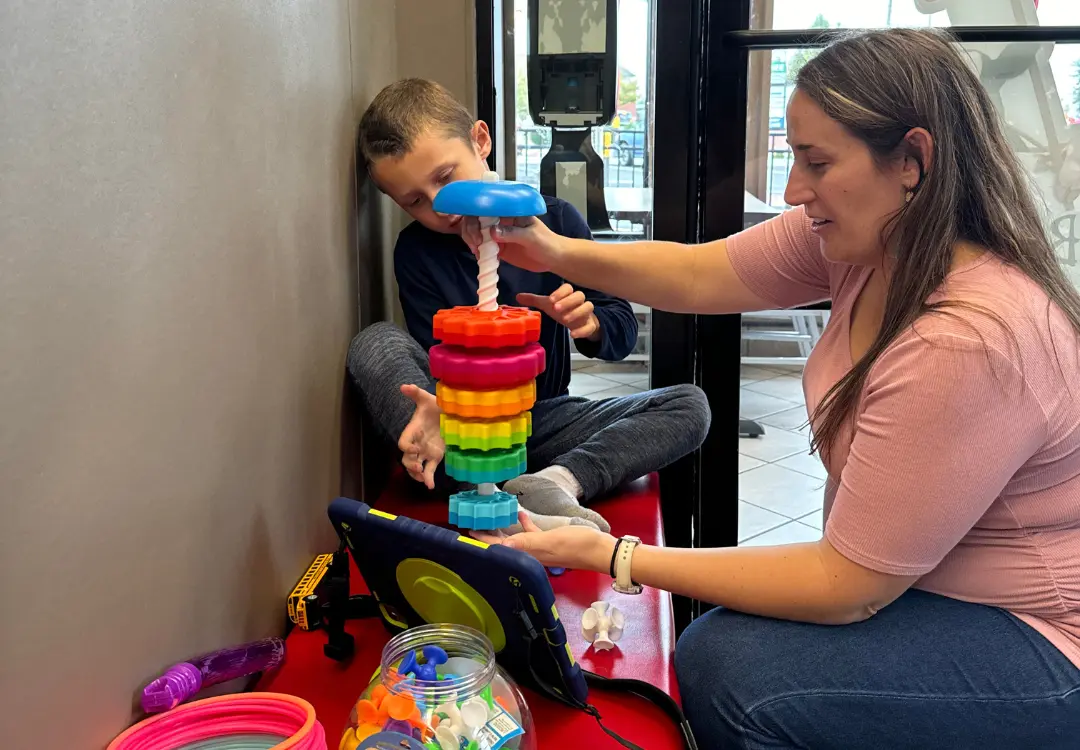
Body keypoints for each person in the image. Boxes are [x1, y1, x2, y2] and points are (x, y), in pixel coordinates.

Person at [469, 28, 1080, 749]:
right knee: (724, 644)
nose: (794, 190)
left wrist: (610, 555)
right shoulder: (868, 245)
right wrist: (551, 251)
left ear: (913, 160)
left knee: (734, 668)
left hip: (1042, 641)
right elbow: (699, 275)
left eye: (817, 162)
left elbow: (847, 586)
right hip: (925, 588)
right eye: (795, 157)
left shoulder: (966, 340)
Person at [347, 78, 711, 533]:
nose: (440, 206)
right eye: (415, 201)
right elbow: (433, 353)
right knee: (374, 341)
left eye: (444, 177)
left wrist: (589, 322)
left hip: (537, 423)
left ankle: (550, 485)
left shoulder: (555, 221)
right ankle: (476, 485)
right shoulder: (416, 252)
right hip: (459, 434)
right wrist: (444, 414)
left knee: (688, 406)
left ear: (480, 141)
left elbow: (621, 332)